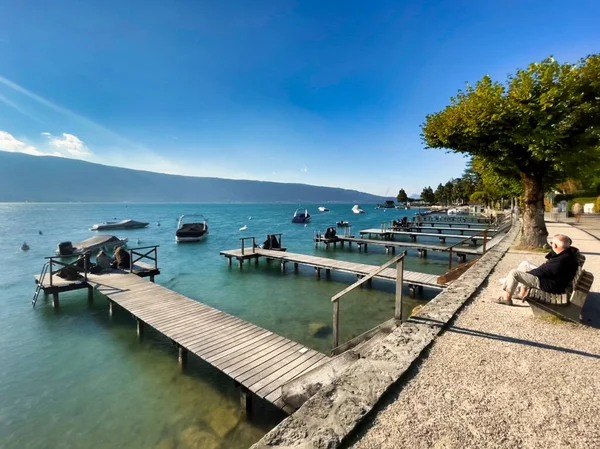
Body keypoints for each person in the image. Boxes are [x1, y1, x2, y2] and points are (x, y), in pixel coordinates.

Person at [497, 234, 579, 306]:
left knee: (514, 273)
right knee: (525, 266)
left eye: (552, 243)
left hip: (550, 285)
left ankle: (506, 298)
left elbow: (544, 271)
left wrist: (527, 274)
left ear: (556, 246)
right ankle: (521, 293)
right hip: (554, 281)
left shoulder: (561, 260)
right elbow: (546, 269)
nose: (551, 245)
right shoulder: (566, 254)